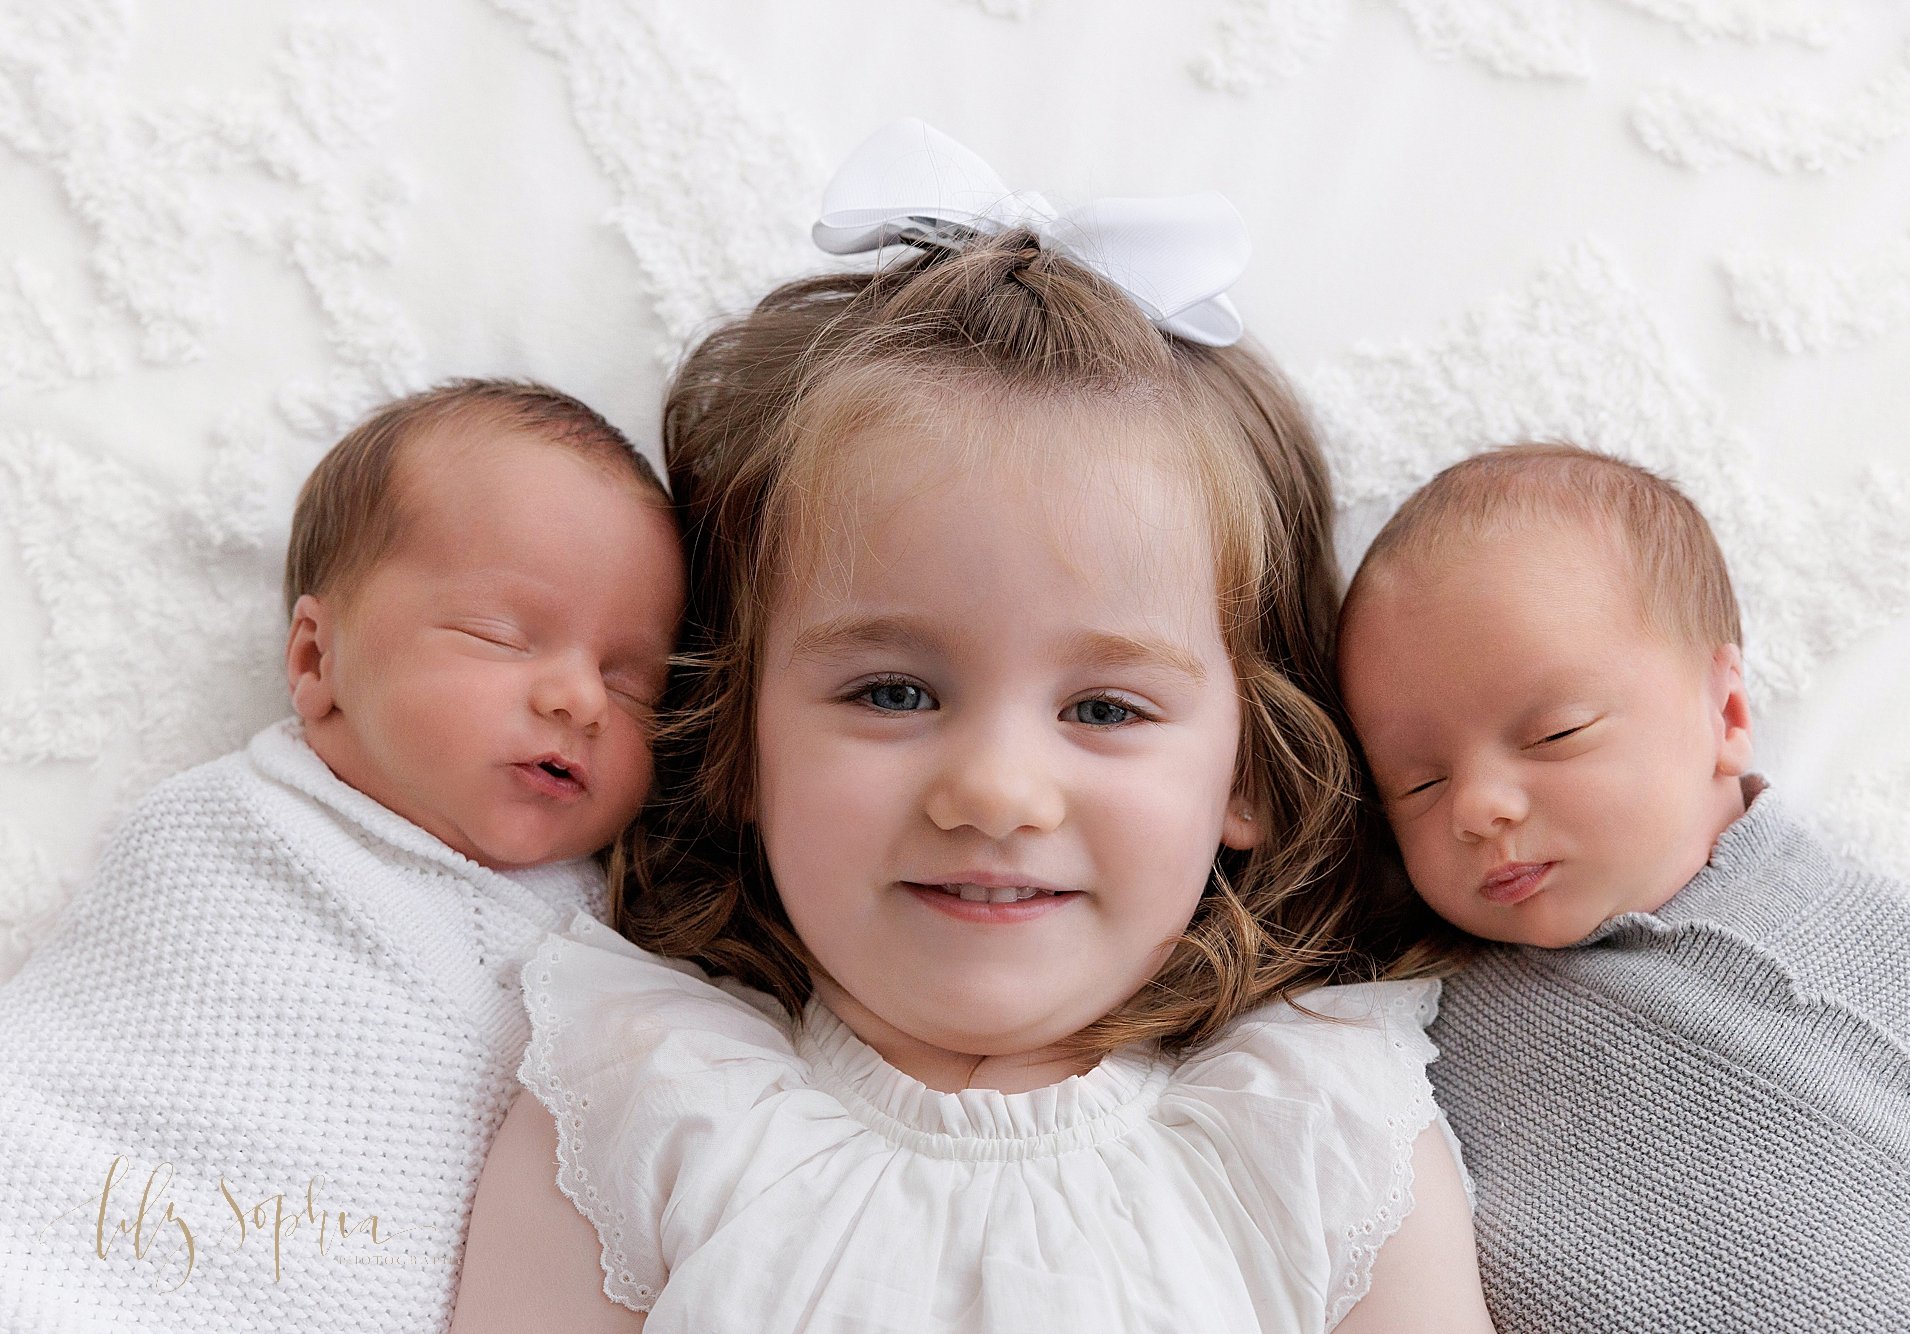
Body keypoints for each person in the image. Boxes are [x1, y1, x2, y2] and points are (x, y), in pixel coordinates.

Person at [451, 120, 1491, 1334]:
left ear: (1248, 771)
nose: (995, 790)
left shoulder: (1319, 1128)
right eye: (893, 691)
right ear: (737, 735)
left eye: (1104, 707)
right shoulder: (638, 1091)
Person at [0, 379, 684, 1334]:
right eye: (501, 636)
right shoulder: (219, 832)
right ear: (317, 662)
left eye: (633, 681)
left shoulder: (617, 940)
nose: (581, 699)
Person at [1335, 442, 1910, 1332]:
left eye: (1556, 734)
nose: (1478, 808)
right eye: (1415, 784)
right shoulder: (1412, 1026)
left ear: (1726, 716)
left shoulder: (1866, 930)